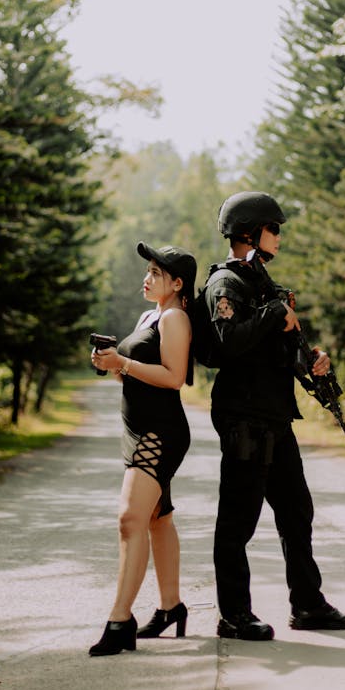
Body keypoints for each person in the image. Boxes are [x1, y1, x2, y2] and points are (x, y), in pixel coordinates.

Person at [202, 190, 345, 641]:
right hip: (243, 418)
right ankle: (234, 614)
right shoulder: (226, 284)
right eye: (274, 229)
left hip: (274, 416)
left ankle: (308, 605)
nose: (279, 237)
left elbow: (276, 348)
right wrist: (274, 313)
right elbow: (230, 343)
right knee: (239, 519)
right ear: (249, 232)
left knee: (296, 512)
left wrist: (311, 364)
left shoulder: (264, 284)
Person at [88, 241, 196, 657]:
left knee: (130, 518)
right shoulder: (150, 315)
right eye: (148, 270)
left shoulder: (175, 319)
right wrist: (111, 365)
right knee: (157, 520)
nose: (146, 278)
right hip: (137, 427)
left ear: (177, 283)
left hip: (159, 432)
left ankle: (120, 620)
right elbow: (134, 377)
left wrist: (125, 364)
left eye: (156, 272)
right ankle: (171, 607)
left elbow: (173, 377)